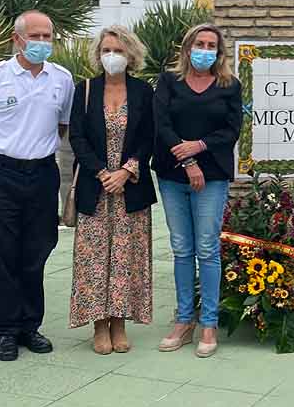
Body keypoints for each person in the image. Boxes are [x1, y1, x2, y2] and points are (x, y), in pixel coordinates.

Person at [0, 10, 75, 362]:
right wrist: (6, 155)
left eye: (48, 36)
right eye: (36, 36)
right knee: (4, 250)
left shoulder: (62, 79)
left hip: (42, 173)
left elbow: (62, 125)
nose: (43, 43)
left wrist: (33, 153)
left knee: (38, 248)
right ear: (17, 39)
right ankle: (7, 330)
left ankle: (31, 325)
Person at [153, 23, 242, 358]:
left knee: (207, 249)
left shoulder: (229, 86)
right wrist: (188, 160)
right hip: (173, 175)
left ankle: (208, 322)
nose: (204, 50)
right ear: (187, 47)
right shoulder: (167, 82)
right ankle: (183, 319)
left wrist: (200, 146)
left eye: (211, 46)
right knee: (180, 248)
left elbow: (231, 130)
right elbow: (161, 124)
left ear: (218, 53)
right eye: (199, 43)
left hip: (213, 176)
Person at [68, 26, 156, 354]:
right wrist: (104, 173)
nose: (112, 57)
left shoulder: (143, 92)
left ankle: (119, 322)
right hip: (96, 186)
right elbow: (76, 136)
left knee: (126, 258)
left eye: (118, 51)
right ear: (98, 54)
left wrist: (127, 170)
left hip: (130, 189)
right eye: (106, 50)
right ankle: (98, 324)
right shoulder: (86, 89)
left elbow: (150, 135)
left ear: (130, 55)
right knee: (93, 259)